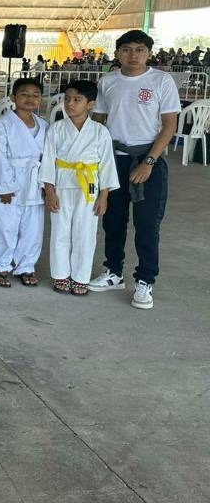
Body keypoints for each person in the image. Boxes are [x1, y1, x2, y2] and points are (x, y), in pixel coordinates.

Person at [89, 30, 180, 310]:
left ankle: (145, 281)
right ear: (117, 53)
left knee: (147, 223)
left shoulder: (161, 81)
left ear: (149, 53)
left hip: (147, 158)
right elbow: (99, 121)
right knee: (113, 219)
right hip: (114, 158)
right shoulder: (108, 82)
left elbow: (169, 125)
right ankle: (114, 272)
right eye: (126, 49)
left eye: (139, 49)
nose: (133, 55)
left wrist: (149, 162)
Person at [41, 80, 119, 295]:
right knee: (60, 231)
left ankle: (80, 277)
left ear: (90, 104)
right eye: (67, 99)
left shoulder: (100, 131)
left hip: (89, 187)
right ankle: (61, 275)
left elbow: (107, 164)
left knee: (85, 233)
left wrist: (104, 196)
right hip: (61, 184)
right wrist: (49, 191)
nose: (70, 104)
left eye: (77, 100)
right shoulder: (56, 129)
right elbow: (47, 160)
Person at [0, 77, 48, 288]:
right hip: (10, 180)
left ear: (41, 99)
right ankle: (2, 265)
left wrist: (46, 185)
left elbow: (48, 158)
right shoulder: (4, 123)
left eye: (35, 95)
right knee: (5, 226)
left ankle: (26, 266)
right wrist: (4, 186)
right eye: (24, 94)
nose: (30, 99)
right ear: (14, 97)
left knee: (32, 228)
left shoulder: (44, 125)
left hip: (35, 182)